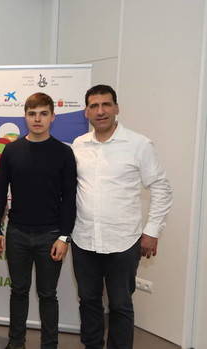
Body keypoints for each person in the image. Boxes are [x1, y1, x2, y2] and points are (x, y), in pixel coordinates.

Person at [72, 85, 173, 349]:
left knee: (120, 305)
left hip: (124, 242)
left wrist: (152, 231)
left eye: (106, 104)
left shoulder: (139, 144)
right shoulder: (79, 145)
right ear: (86, 112)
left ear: (117, 108)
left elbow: (161, 188)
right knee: (89, 302)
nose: (100, 111)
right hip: (84, 240)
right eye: (94, 106)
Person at [0, 92, 77, 349]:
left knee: (48, 294)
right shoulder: (11, 150)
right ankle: (16, 343)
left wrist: (64, 236)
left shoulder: (64, 153)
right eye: (32, 114)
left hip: (51, 235)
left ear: (52, 117)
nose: (37, 119)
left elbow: (70, 199)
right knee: (18, 292)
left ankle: (49, 344)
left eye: (43, 113)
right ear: (25, 116)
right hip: (16, 233)